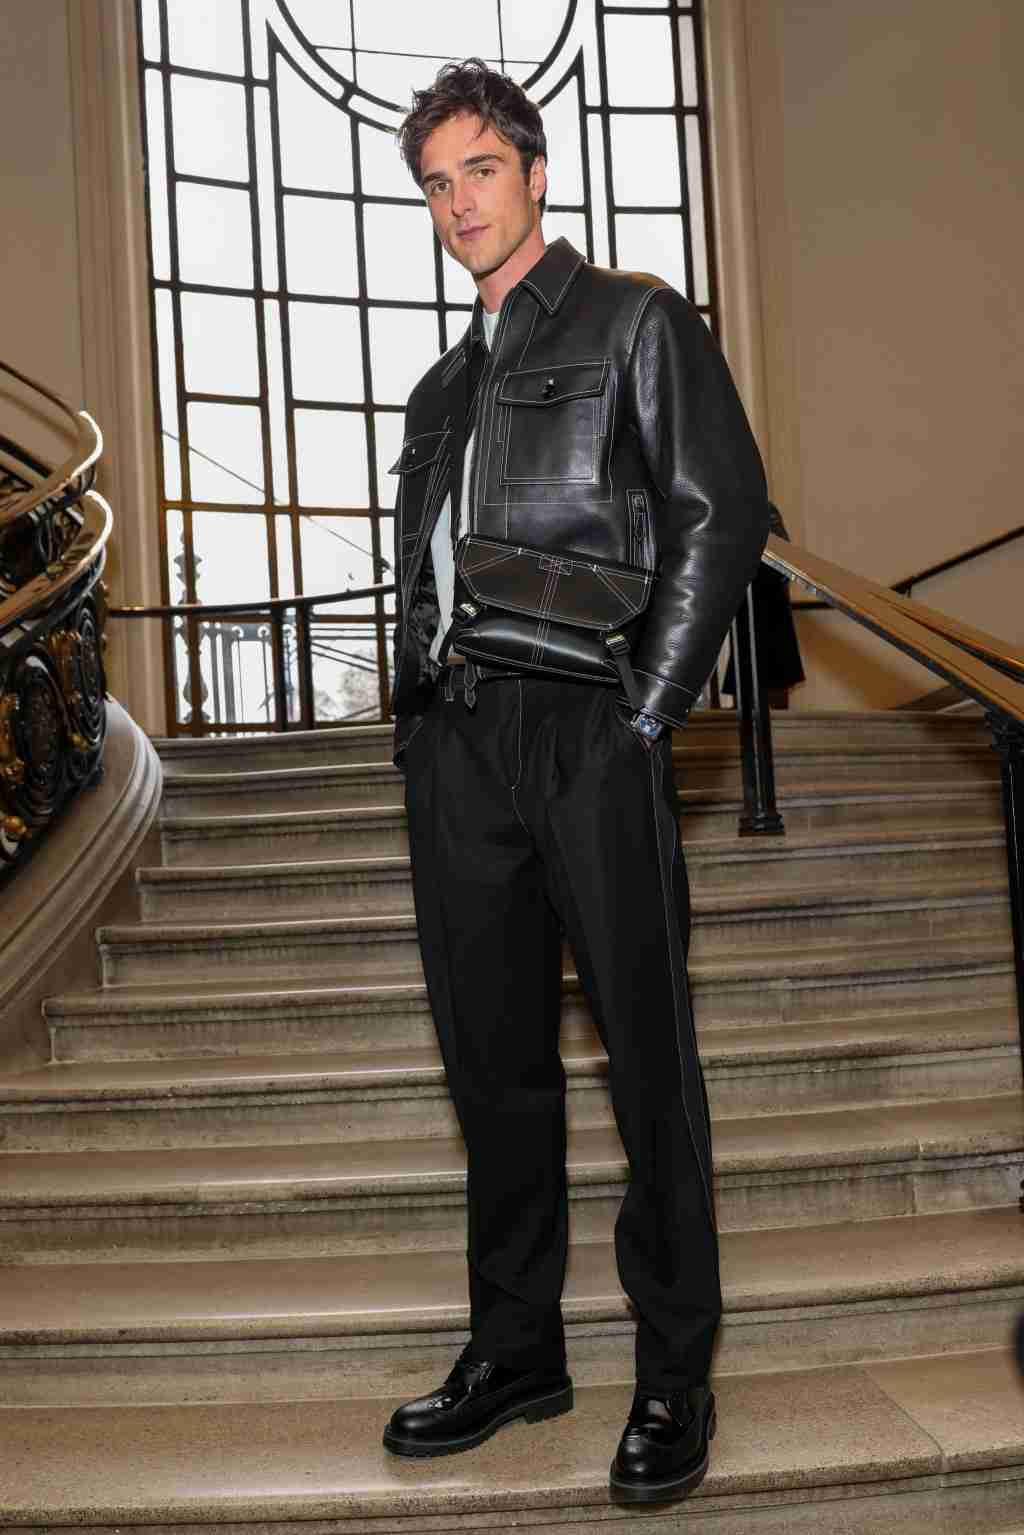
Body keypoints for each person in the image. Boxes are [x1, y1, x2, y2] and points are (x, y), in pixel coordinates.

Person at [382, 58, 770, 1505]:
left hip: (589, 729)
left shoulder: (636, 322)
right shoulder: (436, 388)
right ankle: (517, 1347)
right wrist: (415, 727)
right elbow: (422, 568)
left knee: (648, 1065)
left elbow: (721, 511)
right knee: (494, 1068)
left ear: (536, 173)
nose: (457, 201)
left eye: (478, 169)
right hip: (458, 748)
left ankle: (674, 1372)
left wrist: (647, 716)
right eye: (435, 182)